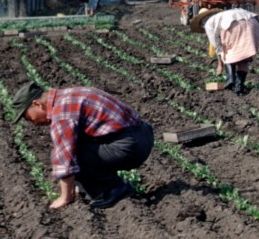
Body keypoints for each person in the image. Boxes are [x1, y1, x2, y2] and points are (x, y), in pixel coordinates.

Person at [12, 81, 154, 211]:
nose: (33, 122)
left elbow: (65, 159)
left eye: (28, 117)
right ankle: (98, 188)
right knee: (77, 145)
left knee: (65, 153)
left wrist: (65, 197)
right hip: (143, 135)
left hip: (130, 147)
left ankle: (112, 189)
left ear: (37, 104)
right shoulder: (70, 94)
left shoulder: (62, 112)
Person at [192, 5, 259, 94]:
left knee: (227, 52)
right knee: (244, 57)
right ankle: (239, 87)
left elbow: (216, 44)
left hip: (230, 25)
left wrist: (220, 64)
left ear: (202, 23)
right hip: (252, 22)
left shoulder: (208, 24)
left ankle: (230, 80)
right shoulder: (222, 15)